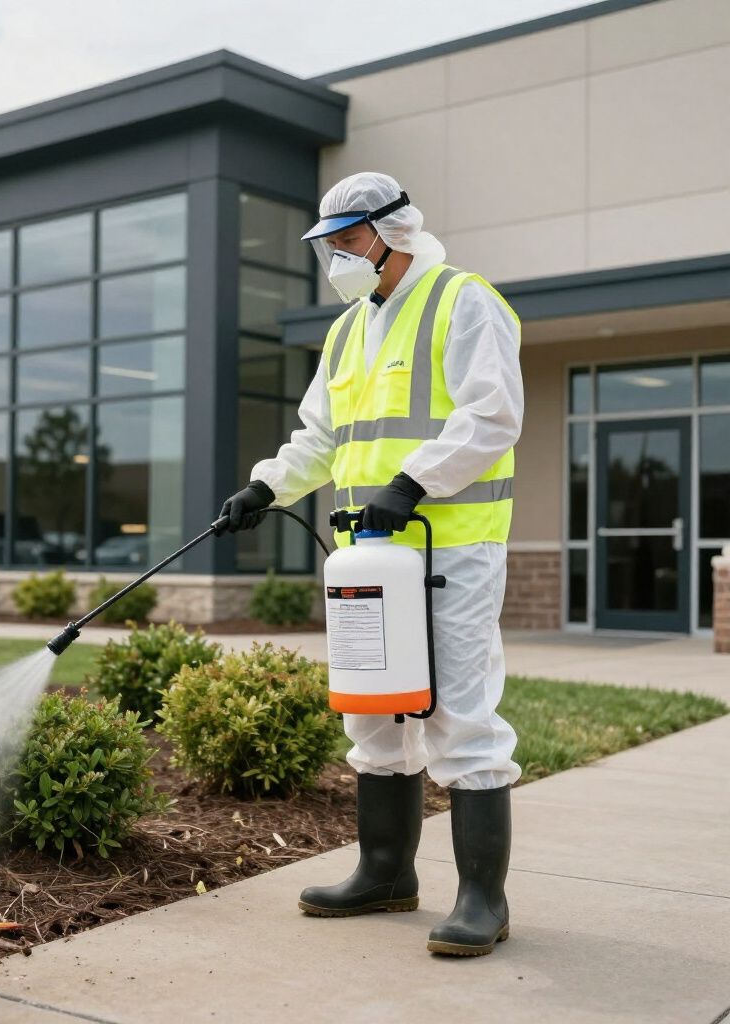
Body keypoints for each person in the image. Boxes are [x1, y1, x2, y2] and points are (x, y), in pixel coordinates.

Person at [216, 171, 523, 957]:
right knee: (373, 707)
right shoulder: (350, 329)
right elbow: (320, 436)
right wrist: (263, 486)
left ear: (396, 232)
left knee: (460, 712)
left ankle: (484, 899)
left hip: (452, 540)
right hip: (369, 550)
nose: (337, 260)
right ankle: (385, 873)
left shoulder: (463, 300)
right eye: (329, 247)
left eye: (349, 242)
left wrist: (413, 482)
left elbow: (493, 416)